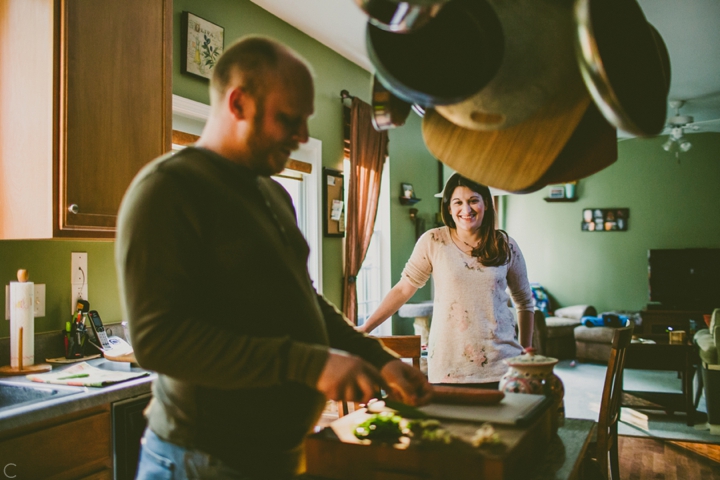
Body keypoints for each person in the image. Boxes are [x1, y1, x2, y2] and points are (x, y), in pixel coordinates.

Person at [115, 36, 432, 480]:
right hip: (200, 461)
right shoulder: (168, 190)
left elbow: (306, 300)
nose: (302, 136)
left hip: (276, 457)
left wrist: (379, 358)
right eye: (290, 119)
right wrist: (309, 363)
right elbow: (158, 341)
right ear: (239, 103)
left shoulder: (274, 193)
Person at [358, 173, 534, 388]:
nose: (466, 210)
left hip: (502, 366)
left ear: (486, 203)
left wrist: (525, 354)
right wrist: (366, 327)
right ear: (449, 208)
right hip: (448, 367)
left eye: (473, 201)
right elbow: (404, 289)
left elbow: (525, 302)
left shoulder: (506, 245)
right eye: (458, 202)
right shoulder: (433, 241)